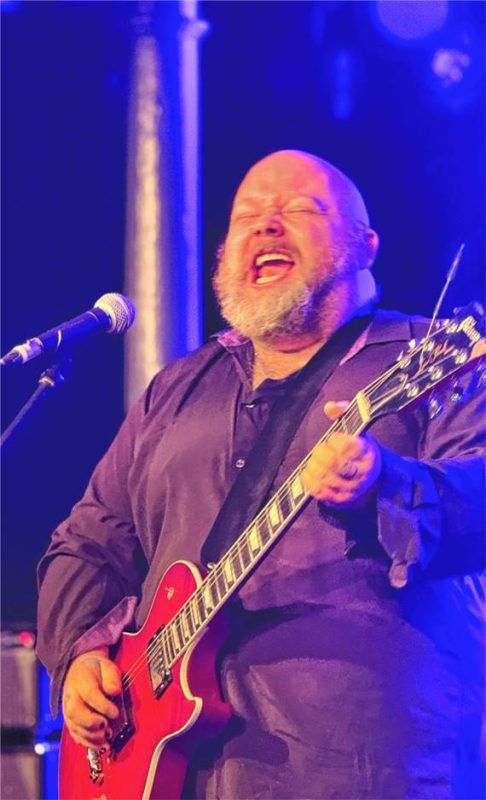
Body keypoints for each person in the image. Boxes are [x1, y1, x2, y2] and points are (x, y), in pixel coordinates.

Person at [37, 150, 484, 799]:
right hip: (167, 775)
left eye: (300, 209)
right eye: (247, 215)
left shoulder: (431, 358)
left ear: (364, 245)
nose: (267, 224)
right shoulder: (177, 390)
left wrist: (384, 484)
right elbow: (87, 541)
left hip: (360, 768)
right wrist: (81, 652)